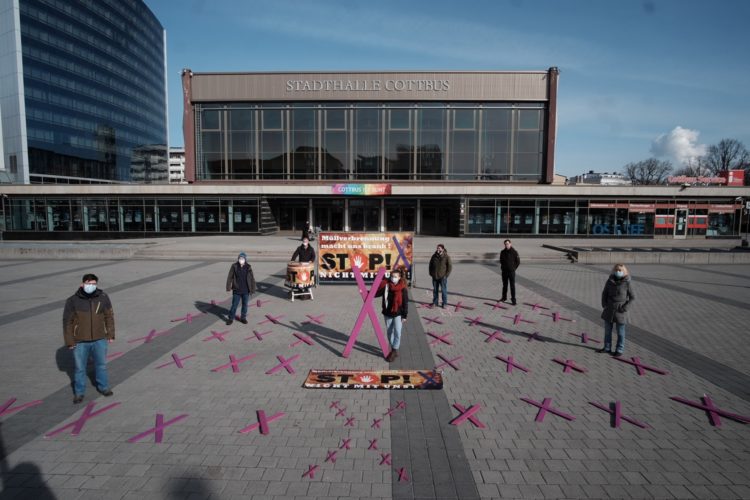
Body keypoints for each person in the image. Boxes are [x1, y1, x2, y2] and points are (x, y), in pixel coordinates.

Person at [63, 273, 115, 404]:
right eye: (88, 283)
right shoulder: (72, 300)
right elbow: (67, 322)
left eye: (93, 284)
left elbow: (109, 316)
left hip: (99, 339)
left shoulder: (103, 297)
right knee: (80, 368)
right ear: (82, 284)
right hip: (80, 341)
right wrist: (70, 341)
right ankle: (79, 392)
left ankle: (103, 387)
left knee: (101, 365)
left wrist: (110, 334)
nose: (90, 286)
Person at [598, 263, 635, 357]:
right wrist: (604, 304)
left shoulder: (627, 282)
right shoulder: (610, 280)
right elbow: (604, 293)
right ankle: (607, 347)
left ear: (624, 271)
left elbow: (632, 297)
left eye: (620, 270)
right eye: (616, 270)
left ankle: (619, 349)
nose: (618, 272)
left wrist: (625, 308)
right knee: (607, 331)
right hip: (609, 308)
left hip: (620, 310)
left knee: (620, 332)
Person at [376, 268, 409, 362]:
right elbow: (377, 293)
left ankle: (394, 350)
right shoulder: (386, 286)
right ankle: (393, 347)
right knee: (390, 332)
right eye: (391, 276)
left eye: (395, 277)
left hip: (398, 314)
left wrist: (404, 315)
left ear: (399, 278)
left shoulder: (403, 288)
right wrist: (366, 292)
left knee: (398, 331)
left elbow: (405, 303)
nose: (393, 278)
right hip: (387, 313)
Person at [226, 251, 256, 325]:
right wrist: (228, 287)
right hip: (237, 290)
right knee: (234, 305)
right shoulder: (234, 266)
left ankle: (243, 318)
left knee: (245, 305)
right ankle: (231, 318)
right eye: (240, 258)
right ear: (238, 259)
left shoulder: (248, 267)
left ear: (245, 259)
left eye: (242, 258)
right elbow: (230, 277)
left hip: (246, 290)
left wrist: (253, 289)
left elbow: (252, 278)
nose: (241, 259)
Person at [428, 244, 452, 308]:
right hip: (435, 276)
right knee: (435, 290)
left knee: (443, 290)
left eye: (439, 248)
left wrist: (446, 275)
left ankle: (444, 303)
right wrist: (431, 273)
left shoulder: (446, 256)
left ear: (443, 249)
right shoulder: (434, 256)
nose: (438, 249)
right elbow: (430, 265)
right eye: (437, 248)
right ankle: (435, 302)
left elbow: (449, 267)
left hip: (442, 277)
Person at [499, 239, 520, 305]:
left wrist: (513, 268)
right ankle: (504, 297)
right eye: (505, 244)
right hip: (504, 272)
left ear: (510, 244)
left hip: (511, 272)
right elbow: (501, 261)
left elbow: (518, 262)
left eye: (507, 244)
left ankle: (513, 300)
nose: (506, 245)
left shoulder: (514, 252)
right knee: (505, 285)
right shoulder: (502, 252)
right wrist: (503, 268)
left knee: (512, 286)